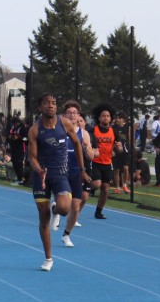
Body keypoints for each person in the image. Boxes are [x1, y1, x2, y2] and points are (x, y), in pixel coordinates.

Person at [28, 94, 85, 271]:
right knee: (43, 216)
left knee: (65, 209)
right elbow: (32, 157)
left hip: (60, 175)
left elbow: (77, 144)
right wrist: (39, 170)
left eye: (53, 103)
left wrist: (82, 169)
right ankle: (48, 258)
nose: (50, 106)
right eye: (46, 103)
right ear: (40, 107)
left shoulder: (65, 124)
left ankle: (55, 210)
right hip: (41, 177)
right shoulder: (35, 130)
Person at [51, 100, 95, 248]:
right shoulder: (58, 130)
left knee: (75, 208)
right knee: (64, 206)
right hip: (61, 171)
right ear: (64, 115)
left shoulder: (83, 133)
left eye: (75, 113)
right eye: (69, 112)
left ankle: (66, 235)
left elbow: (91, 156)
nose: (72, 115)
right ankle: (55, 210)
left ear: (78, 116)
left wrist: (86, 148)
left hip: (76, 172)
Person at [89, 104, 116, 218]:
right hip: (95, 162)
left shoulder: (113, 131)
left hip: (107, 163)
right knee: (96, 184)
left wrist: (117, 149)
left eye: (108, 116)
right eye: (103, 116)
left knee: (105, 189)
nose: (106, 118)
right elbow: (87, 143)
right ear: (99, 118)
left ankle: (98, 212)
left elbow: (118, 146)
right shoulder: (93, 130)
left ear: (110, 118)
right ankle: (88, 188)